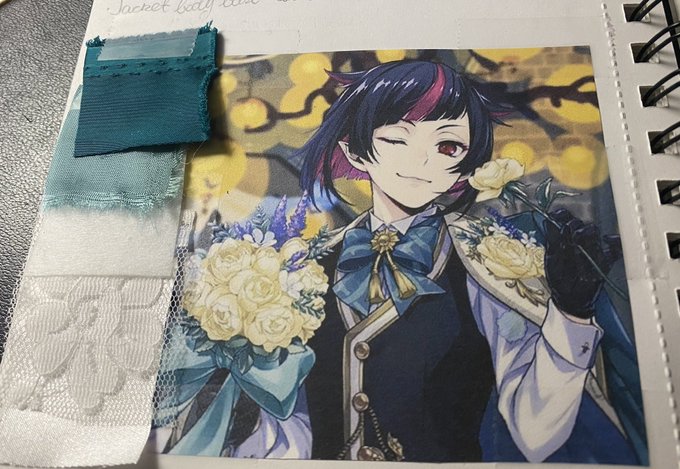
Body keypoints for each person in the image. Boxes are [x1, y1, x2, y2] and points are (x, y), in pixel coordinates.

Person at [288, 60, 644, 463]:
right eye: (397, 139)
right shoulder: (305, 267)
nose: (421, 162)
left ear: (467, 162)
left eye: (447, 147)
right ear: (354, 150)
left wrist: (571, 315)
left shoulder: (488, 263)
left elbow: (535, 434)